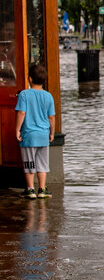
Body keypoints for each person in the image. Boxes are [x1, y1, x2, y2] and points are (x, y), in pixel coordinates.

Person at [15, 64, 55, 199]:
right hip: (43, 135)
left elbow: (21, 113)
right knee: (43, 164)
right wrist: (52, 133)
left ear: (29, 79)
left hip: (29, 135)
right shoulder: (48, 96)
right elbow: (51, 117)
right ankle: (42, 189)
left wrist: (17, 130)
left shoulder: (24, 94)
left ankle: (30, 189)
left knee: (29, 163)